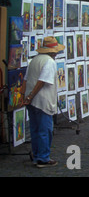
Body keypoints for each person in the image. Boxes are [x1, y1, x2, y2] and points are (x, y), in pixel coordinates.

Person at [21, 36, 65, 168]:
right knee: (45, 130)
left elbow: (25, 79)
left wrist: (25, 96)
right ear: (53, 52)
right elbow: (42, 81)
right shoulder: (49, 62)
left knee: (35, 129)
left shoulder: (34, 60)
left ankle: (36, 154)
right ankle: (43, 158)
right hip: (42, 100)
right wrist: (30, 95)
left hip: (32, 101)